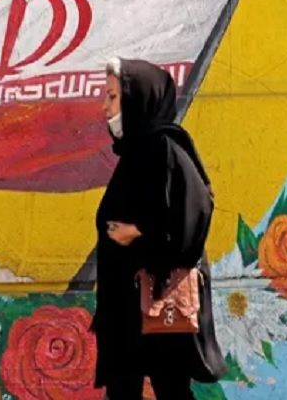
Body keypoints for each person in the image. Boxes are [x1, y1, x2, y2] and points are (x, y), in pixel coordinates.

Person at [92, 57, 227, 399]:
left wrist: (137, 232)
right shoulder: (138, 152)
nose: (105, 107)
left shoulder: (163, 147)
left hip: (157, 303)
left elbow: (195, 212)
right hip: (130, 305)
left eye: (112, 96)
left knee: (169, 388)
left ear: (137, 98)